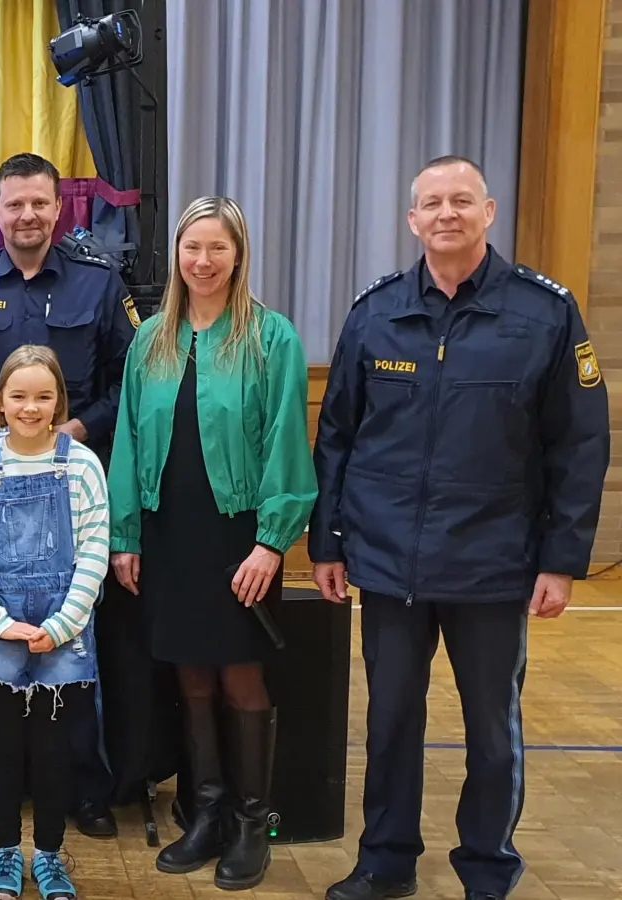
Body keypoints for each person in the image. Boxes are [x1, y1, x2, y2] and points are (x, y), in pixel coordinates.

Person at [310, 156, 609, 900]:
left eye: (461, 201)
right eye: (432, 203)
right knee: (389, 727)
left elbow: (579, 443)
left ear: (489, 211)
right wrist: (328, 541)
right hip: (387, 561)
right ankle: (385, 862)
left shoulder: (544, 313)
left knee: (492, 735)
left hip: (493, 562)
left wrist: (562, 558)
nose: (446, 213)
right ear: (412, 220)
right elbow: (338, 436)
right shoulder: (376, 312)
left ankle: (486, 870)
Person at [0, 152, 135, 837]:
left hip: (71, 494)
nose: (28, 215)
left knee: (72, 651)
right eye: (14, 204)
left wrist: (74, 428)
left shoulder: (99, 289)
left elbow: (127, 383)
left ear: (58, 207)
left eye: (40, 203)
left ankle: (85, 792)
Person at [107, 196, 315, 891]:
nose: (202, 261)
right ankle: (206, 810)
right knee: (189, 673)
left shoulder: (271, 337)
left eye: (216, 248)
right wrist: (125, 534)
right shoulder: (151, 340)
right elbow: (129, 443)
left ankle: (254, 820)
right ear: (177, 254)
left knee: (240, 673)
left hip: (240, 536)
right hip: (170, 533)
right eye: (192, 247)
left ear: (238, 254)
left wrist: (272, 543)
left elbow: (289, 440)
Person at [0, 345, 111, 900]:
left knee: (51, 750)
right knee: (1, 747)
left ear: (59, 401)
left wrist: (62, 625)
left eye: (44, 397)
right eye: (19, 396)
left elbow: (94, 550)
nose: (31, 407)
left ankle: (48, 855)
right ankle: (3, 854)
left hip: (61, 628)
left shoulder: (82, 464)